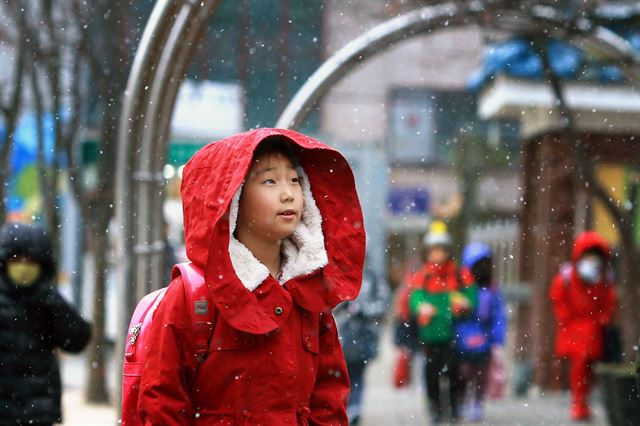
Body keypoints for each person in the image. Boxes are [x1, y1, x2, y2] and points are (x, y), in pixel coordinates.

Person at [138, 129, 366, 424]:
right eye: (270, 180)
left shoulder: (309, 293)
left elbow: (329, 402)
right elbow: (161, 402)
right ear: (232, 198)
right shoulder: (193, 295)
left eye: (295, 180)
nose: (288, 193)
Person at [0, 222, 91, 425]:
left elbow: (78, 340)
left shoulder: (48, 300)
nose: (23, 266)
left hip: (39, 413)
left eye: (30, 261)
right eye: (17, 259)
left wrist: (52, 302)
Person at [408, 220, 476, 423]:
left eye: (440, 250)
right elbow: (415, 298)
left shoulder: (459, 274)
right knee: (432, 375)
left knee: (455, 374)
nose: (437, 255)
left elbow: (471, 297)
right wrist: (421, 307)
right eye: (433, 251)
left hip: (454, 333)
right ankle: (436, 409)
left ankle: (455, 408)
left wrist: (464, 303)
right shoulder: (423, 276)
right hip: (430, 334)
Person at [549, 231, 617, 421]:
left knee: (589, 370)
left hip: (593, 331)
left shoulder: (602, 279)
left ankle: (582, 402)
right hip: (576, 332)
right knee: (579, 368)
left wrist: (602, 318)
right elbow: (558, 298)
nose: (592, 260)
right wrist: (569, 320)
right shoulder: (568, 277)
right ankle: (579, 402)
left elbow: (608, 302)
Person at [453, 242, 507, 423]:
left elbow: (498, 315)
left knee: (480, 376)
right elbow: (454, 314)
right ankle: (461, 402)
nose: (482, 269)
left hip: (484, 341)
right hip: (462, 341)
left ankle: (476, 402)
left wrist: (497, 339)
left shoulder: (492, 290)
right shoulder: (462, 288)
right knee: (463, 374)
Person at [335, 259, 390, 425]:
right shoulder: (342, 278)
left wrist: (364, 310)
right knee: (345, 375)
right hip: (345, 337)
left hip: (365, 337)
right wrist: (344, 305)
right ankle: (348, 407)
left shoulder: (374, 279)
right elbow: (332, 305)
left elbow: (383, 304)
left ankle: (354, 408)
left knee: (358, 374)